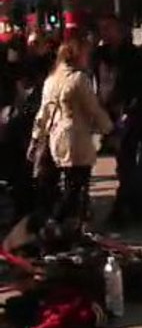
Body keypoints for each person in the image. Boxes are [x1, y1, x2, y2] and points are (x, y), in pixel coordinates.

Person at [29, 37, 113, 228]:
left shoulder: (51, 80)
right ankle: (62, 223)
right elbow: (93, 109)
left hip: (55, 138)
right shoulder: (78, 79)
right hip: (76, 138)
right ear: (76, 56)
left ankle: (59, 222)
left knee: (64, 184)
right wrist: (109, 128)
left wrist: (35, 138)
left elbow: (43, 113)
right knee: (76, 186)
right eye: (85, 54)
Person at [92, 14, 142, 227]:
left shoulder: (136, 55)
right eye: (102, 28)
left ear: (120, 31)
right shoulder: (100, 55)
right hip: (108, 114)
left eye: (109, 28)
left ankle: (126, 207)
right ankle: (136, 204)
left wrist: (130, 111)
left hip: (131, 115)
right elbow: (97, 82)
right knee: (124, 162)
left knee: (126, 161)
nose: (104, 33)